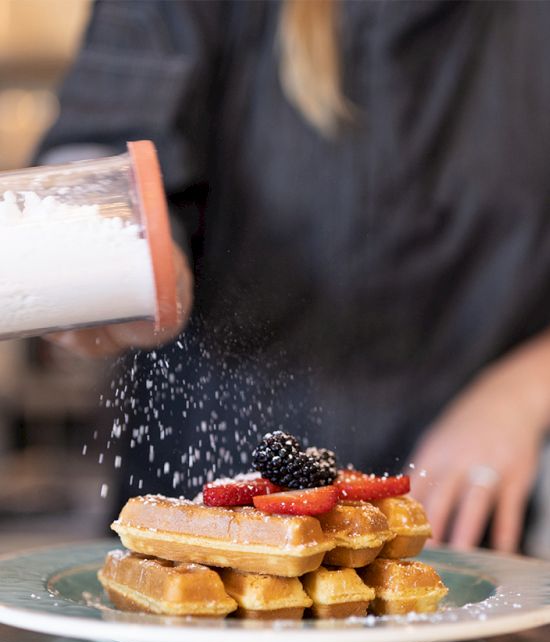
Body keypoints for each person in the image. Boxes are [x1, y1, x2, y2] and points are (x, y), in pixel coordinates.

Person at [38, 0, 550, 553]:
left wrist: (522, 393)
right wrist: (104, 249)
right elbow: (107, 150)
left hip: (466, 528)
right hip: (199, 506)